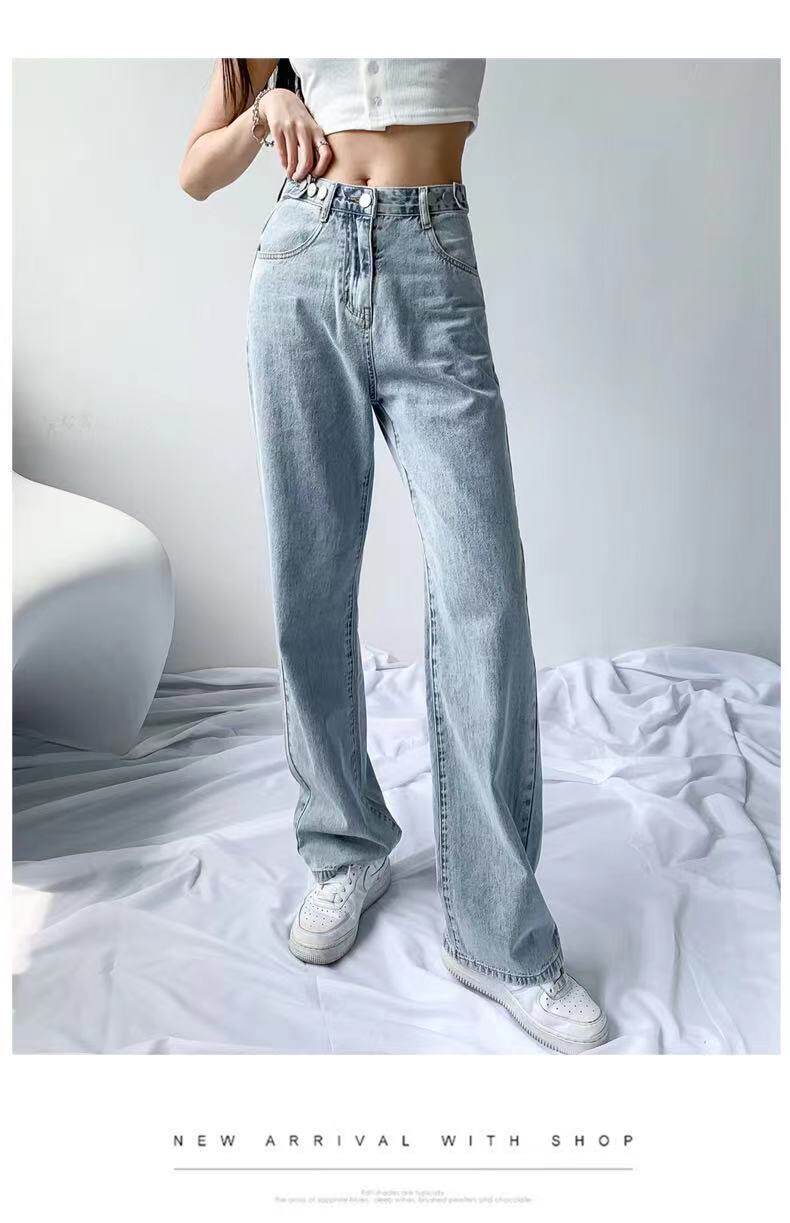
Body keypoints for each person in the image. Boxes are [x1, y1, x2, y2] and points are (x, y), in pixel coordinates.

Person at [180, 58, 608, 1054]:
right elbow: (196, 171)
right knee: (310, 581)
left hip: (431, 257)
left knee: (484, 596)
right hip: (300, 261)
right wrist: (264, 110)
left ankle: (498, 939)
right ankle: (344, 846)